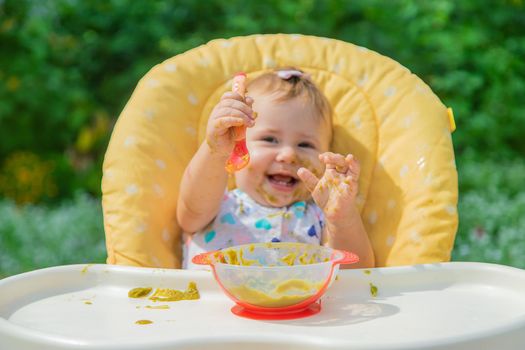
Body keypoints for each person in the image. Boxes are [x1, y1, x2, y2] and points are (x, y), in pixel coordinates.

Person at [177, 68, 374, 269]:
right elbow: (189, 217)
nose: (288, 154)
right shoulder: (217, 203)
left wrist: (342, 217)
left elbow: (358, 271)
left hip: (300, 301)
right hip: (209, 299)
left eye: (305, 145)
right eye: (270, 139)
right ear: (236, 147)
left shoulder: (320, 218)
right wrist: (215, 151)